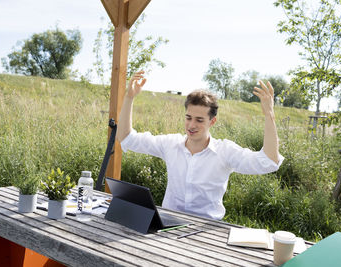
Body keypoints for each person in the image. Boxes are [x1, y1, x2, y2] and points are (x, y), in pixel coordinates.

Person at [117, 70, 284, 220]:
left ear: (212, 121)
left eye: (199, 120)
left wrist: (269, 115)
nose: (191, 125)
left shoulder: (224, 151)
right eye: (188, 118)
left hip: (207, 233)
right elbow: (126, 138)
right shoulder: (170, 144)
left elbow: (268, 161)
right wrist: (129, 97)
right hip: (167, 227)